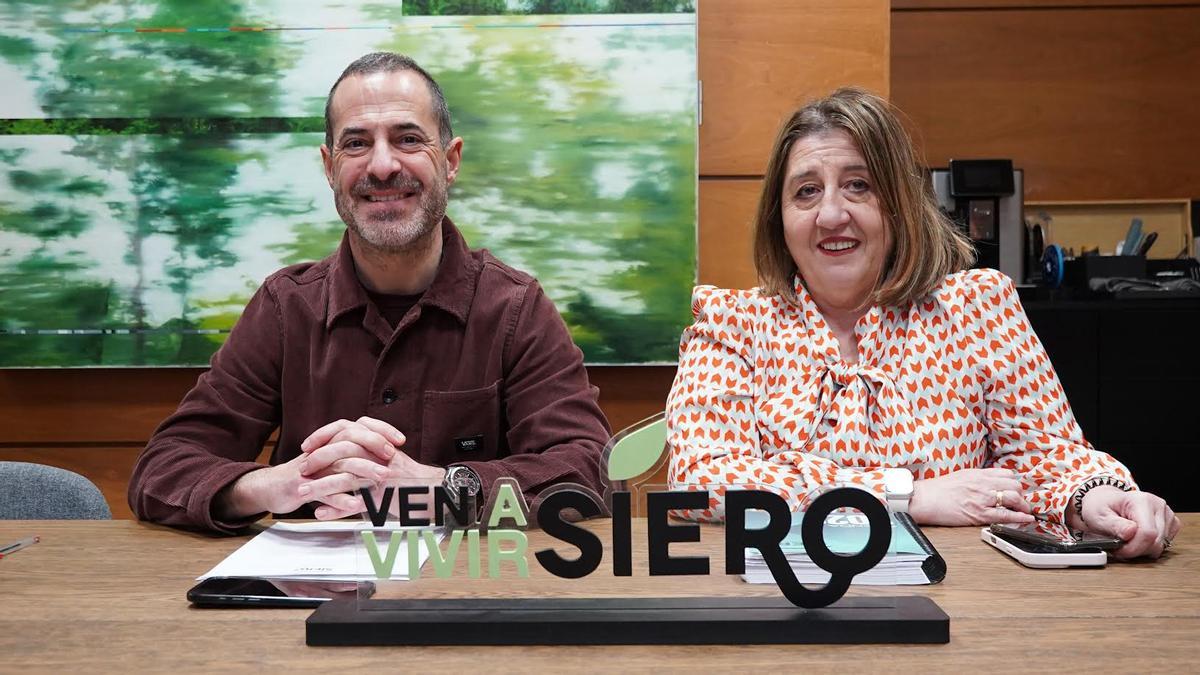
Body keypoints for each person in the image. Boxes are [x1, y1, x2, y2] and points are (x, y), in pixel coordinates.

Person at [665, 88, 1180, 559]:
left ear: (899, 205)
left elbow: (1047, 456)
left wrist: (1095, 496)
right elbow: (701, 478)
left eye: (858, 186)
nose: (830, 215)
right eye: (805, 192)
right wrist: (903, 495)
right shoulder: (731, 325)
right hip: (783, 600)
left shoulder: (977, 307)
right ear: (778, 219)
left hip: (963, 604)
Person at [129, 52, 611, 533]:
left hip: (460, 596)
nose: (382, 166)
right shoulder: (285, 306)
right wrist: (277, 484)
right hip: (303, 599)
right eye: (356, 143)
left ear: (450, 161)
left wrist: (442, 489)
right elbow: (162, 470)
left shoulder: (515, 308)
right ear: (329, 167)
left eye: (407, 139)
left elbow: (587, 470)